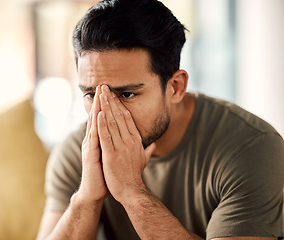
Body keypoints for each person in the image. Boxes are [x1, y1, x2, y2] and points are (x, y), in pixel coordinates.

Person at [36, 0, 284, 239]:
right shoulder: (77, 153)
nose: (105, 114)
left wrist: (133, 192)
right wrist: (87, 198)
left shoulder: (251, 147)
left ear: (176, 87)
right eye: (91, 94)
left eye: (127, 94)